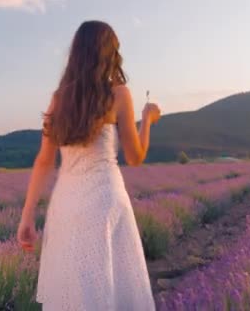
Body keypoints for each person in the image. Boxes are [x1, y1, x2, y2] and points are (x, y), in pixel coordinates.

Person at [17, 20, 161, 310]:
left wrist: (27, 216)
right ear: (108, 53)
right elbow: (135, 157)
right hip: (106, 200)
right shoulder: (118, 94)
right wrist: (147, 121)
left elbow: (44, 161)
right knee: (110, 287)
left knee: (74, 290)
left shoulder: (59, 99)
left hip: (66, 205)